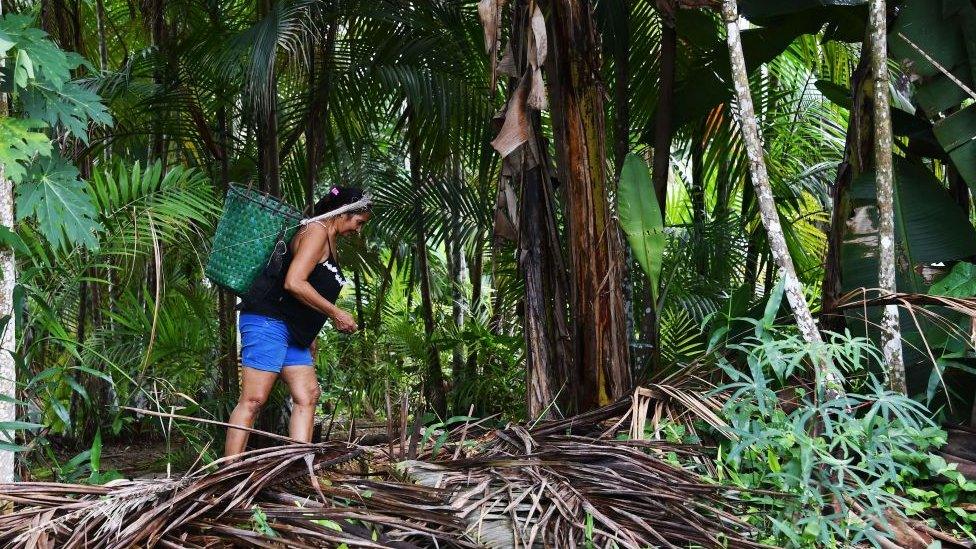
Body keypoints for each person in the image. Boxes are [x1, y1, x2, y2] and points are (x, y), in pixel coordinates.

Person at [224, 186, 371, 458]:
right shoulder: (315, 231)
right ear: (344, 213)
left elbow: (307, 291)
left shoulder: (329, 238)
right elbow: (294, 282)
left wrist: (310, 334)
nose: (358, 230)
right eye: (358, 222)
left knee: (308, 395)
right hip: (268, 320)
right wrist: (336, 313)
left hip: (292, 331)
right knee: (254, 400)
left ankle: (298, 467)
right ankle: (228, 475)